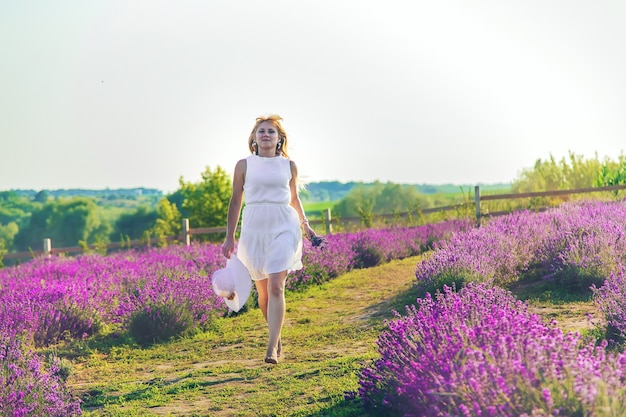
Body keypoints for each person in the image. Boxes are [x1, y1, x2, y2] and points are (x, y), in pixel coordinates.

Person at [222, 114, 317, 364]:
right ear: (253, 138)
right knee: (263, 294)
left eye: (271, 132)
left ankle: (271, 348)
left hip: (284, 224)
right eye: (261, 131)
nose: (266, 134)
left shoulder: (289, 166)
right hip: (254, 228)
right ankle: (276, 335)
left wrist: (306, 227)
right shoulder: (244, 165)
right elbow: (235, 201)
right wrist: (229, 237)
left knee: (276, 286)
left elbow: (294, 199)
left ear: (279, 138)